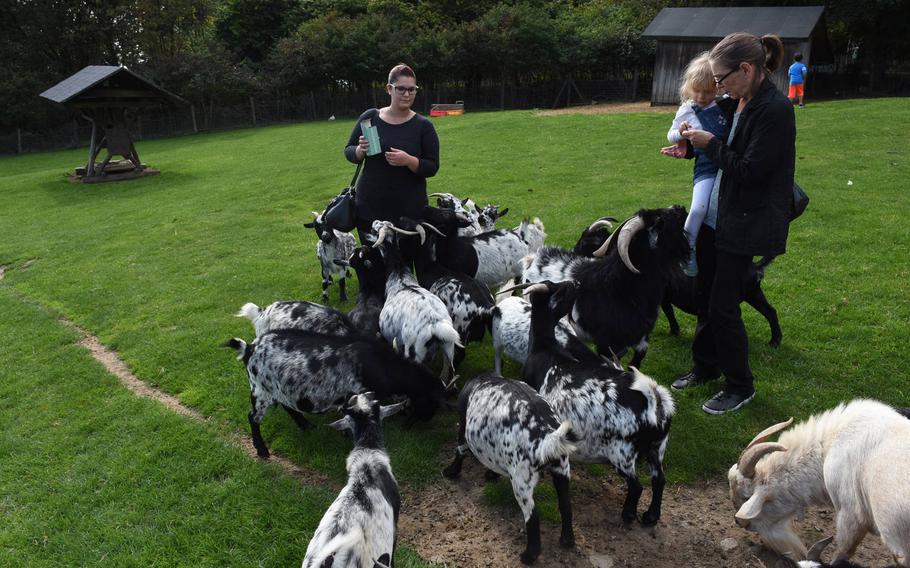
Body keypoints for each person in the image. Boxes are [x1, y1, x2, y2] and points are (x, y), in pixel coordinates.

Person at [670, 32, 797, 415]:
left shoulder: (774, 110)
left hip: (746, 222)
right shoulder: (738, 100)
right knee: (704, 293)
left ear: (747, 69)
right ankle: (704, 366)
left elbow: (751, 171)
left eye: (723, 79)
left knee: (724, 304)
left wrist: (710, 145)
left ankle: (740, 385)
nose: (719, 88)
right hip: (719, 216)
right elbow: (717, 142)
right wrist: (691, 145)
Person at [344, 63, 440, 249]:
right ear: (389, 89)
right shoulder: (370, 117)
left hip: (409, 212)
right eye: (401, 89)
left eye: (411, 90)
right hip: (370, 208)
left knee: (404, 265)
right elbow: (348, 150)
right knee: (374, 264)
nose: (406, 94)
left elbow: (432, 166)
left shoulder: (423, 126)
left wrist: (409, 160)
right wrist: (359, 151)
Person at [661, 52, 728, 277]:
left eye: (707, 91)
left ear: (717, 88)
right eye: (697, 91)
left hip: (728, 164)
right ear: (689, 88)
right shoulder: (688, 109)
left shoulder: (725, 105)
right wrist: (679, 134)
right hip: (707, 166)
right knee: (699, 209)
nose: (701, 96)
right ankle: (686, 249)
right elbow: (670, 135)